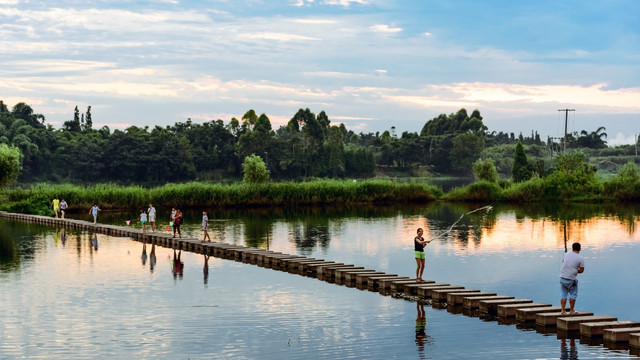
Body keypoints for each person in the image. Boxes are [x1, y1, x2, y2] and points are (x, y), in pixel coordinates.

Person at [559, 242, 585, 315]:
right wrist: (576, 270)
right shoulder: (580, 258)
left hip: (562, 277)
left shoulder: (566, 254)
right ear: (580, 249)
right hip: (571, 279)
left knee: (563, 294)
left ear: (572, 248)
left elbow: (563, 262)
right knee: (573, 294)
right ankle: (571, 310)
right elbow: (581, 270)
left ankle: (563, 311)